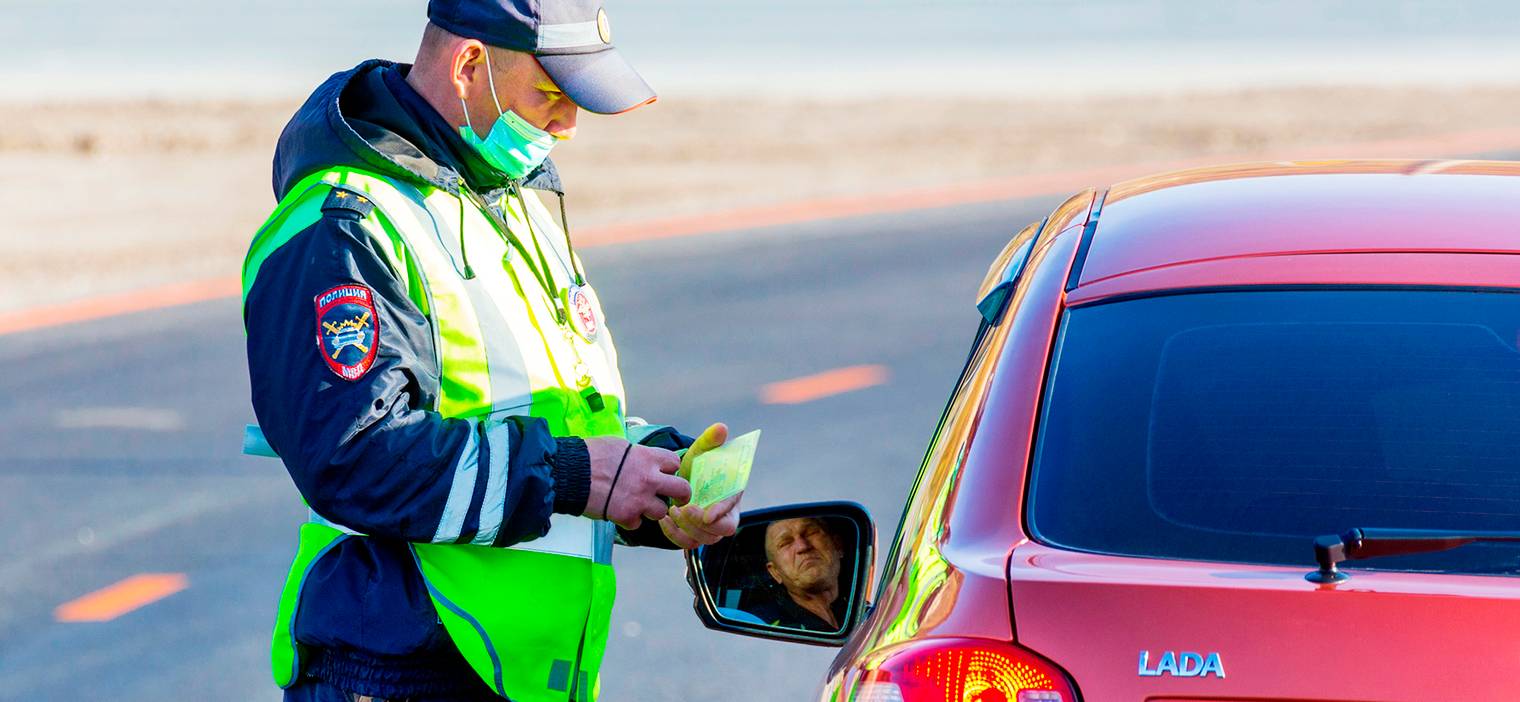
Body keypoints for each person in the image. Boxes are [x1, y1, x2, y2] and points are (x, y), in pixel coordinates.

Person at [241, 1, 743, 700]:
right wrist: (580, 477)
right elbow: (356, 459)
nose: (568, 124)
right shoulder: (345, 225)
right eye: (551, 94)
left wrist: (657, 476)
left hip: (514, 676)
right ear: (470, 64)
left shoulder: (511, 200)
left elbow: (549, 414)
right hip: (395, 669)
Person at [749, 517, 847, 631]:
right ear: (775, 572)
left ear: (838, 546)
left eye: (811, 532)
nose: (803, 546)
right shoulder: (764, 625)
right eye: (785, 543)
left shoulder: (862, 609)